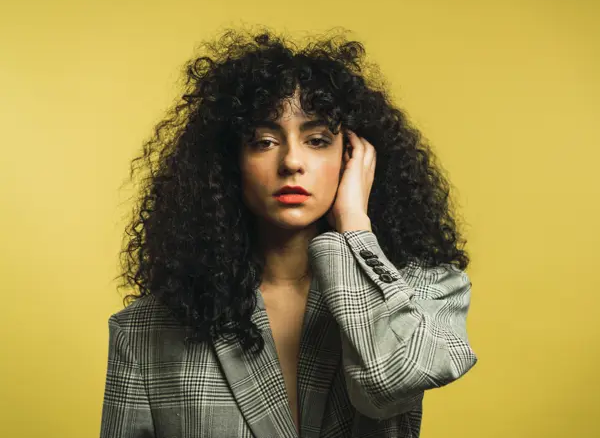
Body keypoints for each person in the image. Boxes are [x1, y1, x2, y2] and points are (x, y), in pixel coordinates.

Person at [100, 27, 477, 438]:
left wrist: (354, 225)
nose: (292, 161)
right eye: (264, 141)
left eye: (317, 140)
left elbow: (391, 380)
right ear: (230, 163)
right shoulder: (145, 330)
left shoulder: (422, 290)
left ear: (353, 158)